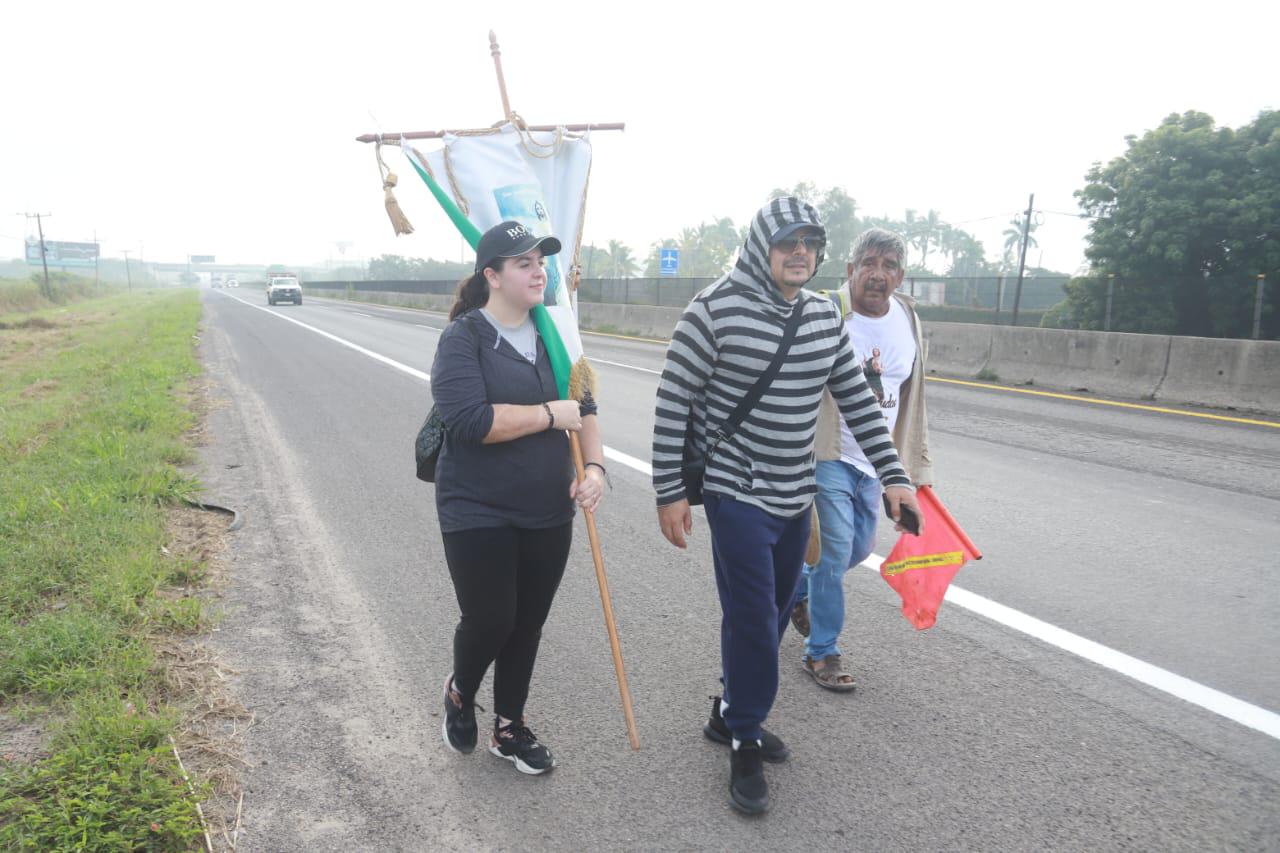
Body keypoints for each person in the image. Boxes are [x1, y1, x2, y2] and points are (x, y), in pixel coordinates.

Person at [651, 198, 923, 814]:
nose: (800, 252)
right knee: (751, 616)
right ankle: (745, 736)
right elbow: (672, 404)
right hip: (734, 489)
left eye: (810, 243)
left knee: (772, 615)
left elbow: (857, 400)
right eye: (787, 241)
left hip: (794, 493)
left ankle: (727, 712)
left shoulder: (825, 318)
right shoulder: (711, 311)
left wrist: (895, 478)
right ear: (760, 246)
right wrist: (669, 491)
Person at [430, 220, 607, 775]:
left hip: (547, 507)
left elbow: (587, 411)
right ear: (493, 276)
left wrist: (596, 468)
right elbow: (469, 422)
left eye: (542, 261)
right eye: (524, 263)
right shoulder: (465, 338)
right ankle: (461, 691)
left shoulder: (559, 336)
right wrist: (548, 415)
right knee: (490, 618)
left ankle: (509, 727)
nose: (539, 271)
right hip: (475, 506)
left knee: (527, 623)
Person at [789, 227, 934, 691]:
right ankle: (822, 652)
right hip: (829, 452)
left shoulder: (909, 319)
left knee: (859, 549)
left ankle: (795, 590)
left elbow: (914, 398)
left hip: (877, 462)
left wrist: (914, 471)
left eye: (888, 266)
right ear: (851, 270)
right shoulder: (828, 311)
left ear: (901, 276)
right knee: (833, 555)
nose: (877, 274)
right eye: (868, 264)